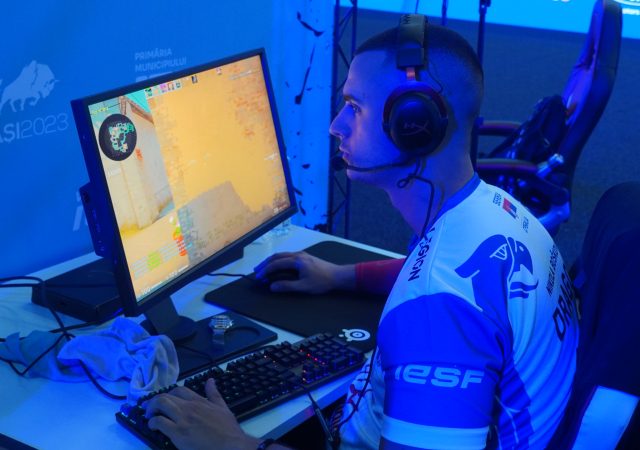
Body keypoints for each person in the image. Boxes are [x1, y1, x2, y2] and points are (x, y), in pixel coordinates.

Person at [144, 14, 579, 450]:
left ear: (414, 124)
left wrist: (234, 445)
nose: (336, 126)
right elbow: (450, 276)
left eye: (354, 107)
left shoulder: (435, 315)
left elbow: (440, 302)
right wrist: (340, 276)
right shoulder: (498, 212)